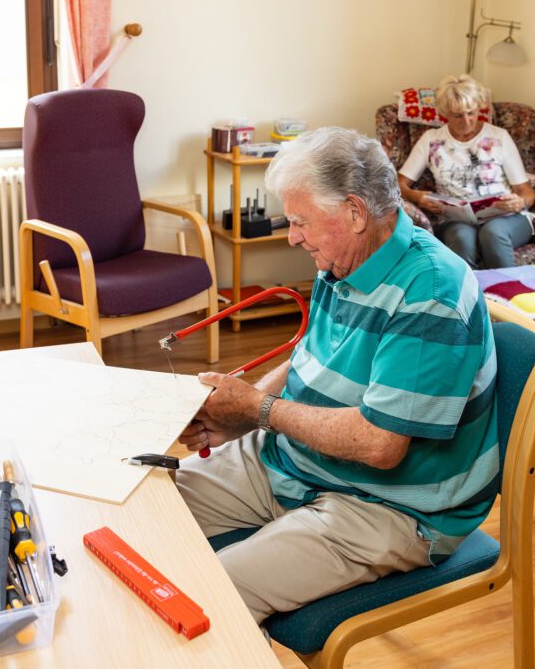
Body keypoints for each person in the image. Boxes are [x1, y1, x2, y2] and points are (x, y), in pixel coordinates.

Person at [175, 126, 500, 624]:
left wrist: (258, 409)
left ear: (354, 211)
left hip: (388, 507)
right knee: (146, 509)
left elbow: (380, 445)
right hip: (296, 463)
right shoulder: (344, 259)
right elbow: (313, 357)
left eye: (300, 220)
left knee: (208, 596)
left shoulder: (429, 292)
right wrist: (245, 412)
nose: (292, 236)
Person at [398, 74, 535, 269]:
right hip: (456, 219)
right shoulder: (432, 139)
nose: (467, 120)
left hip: (505, 218)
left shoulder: (499, 137)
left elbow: (527, 191)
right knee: (462, 238)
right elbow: (399, 182)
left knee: (493, 234)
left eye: (471, 112)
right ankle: (468, 296)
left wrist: (519, 202)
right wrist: (416, 196)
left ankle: (508, 294)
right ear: (445, 114)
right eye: (458, 115)